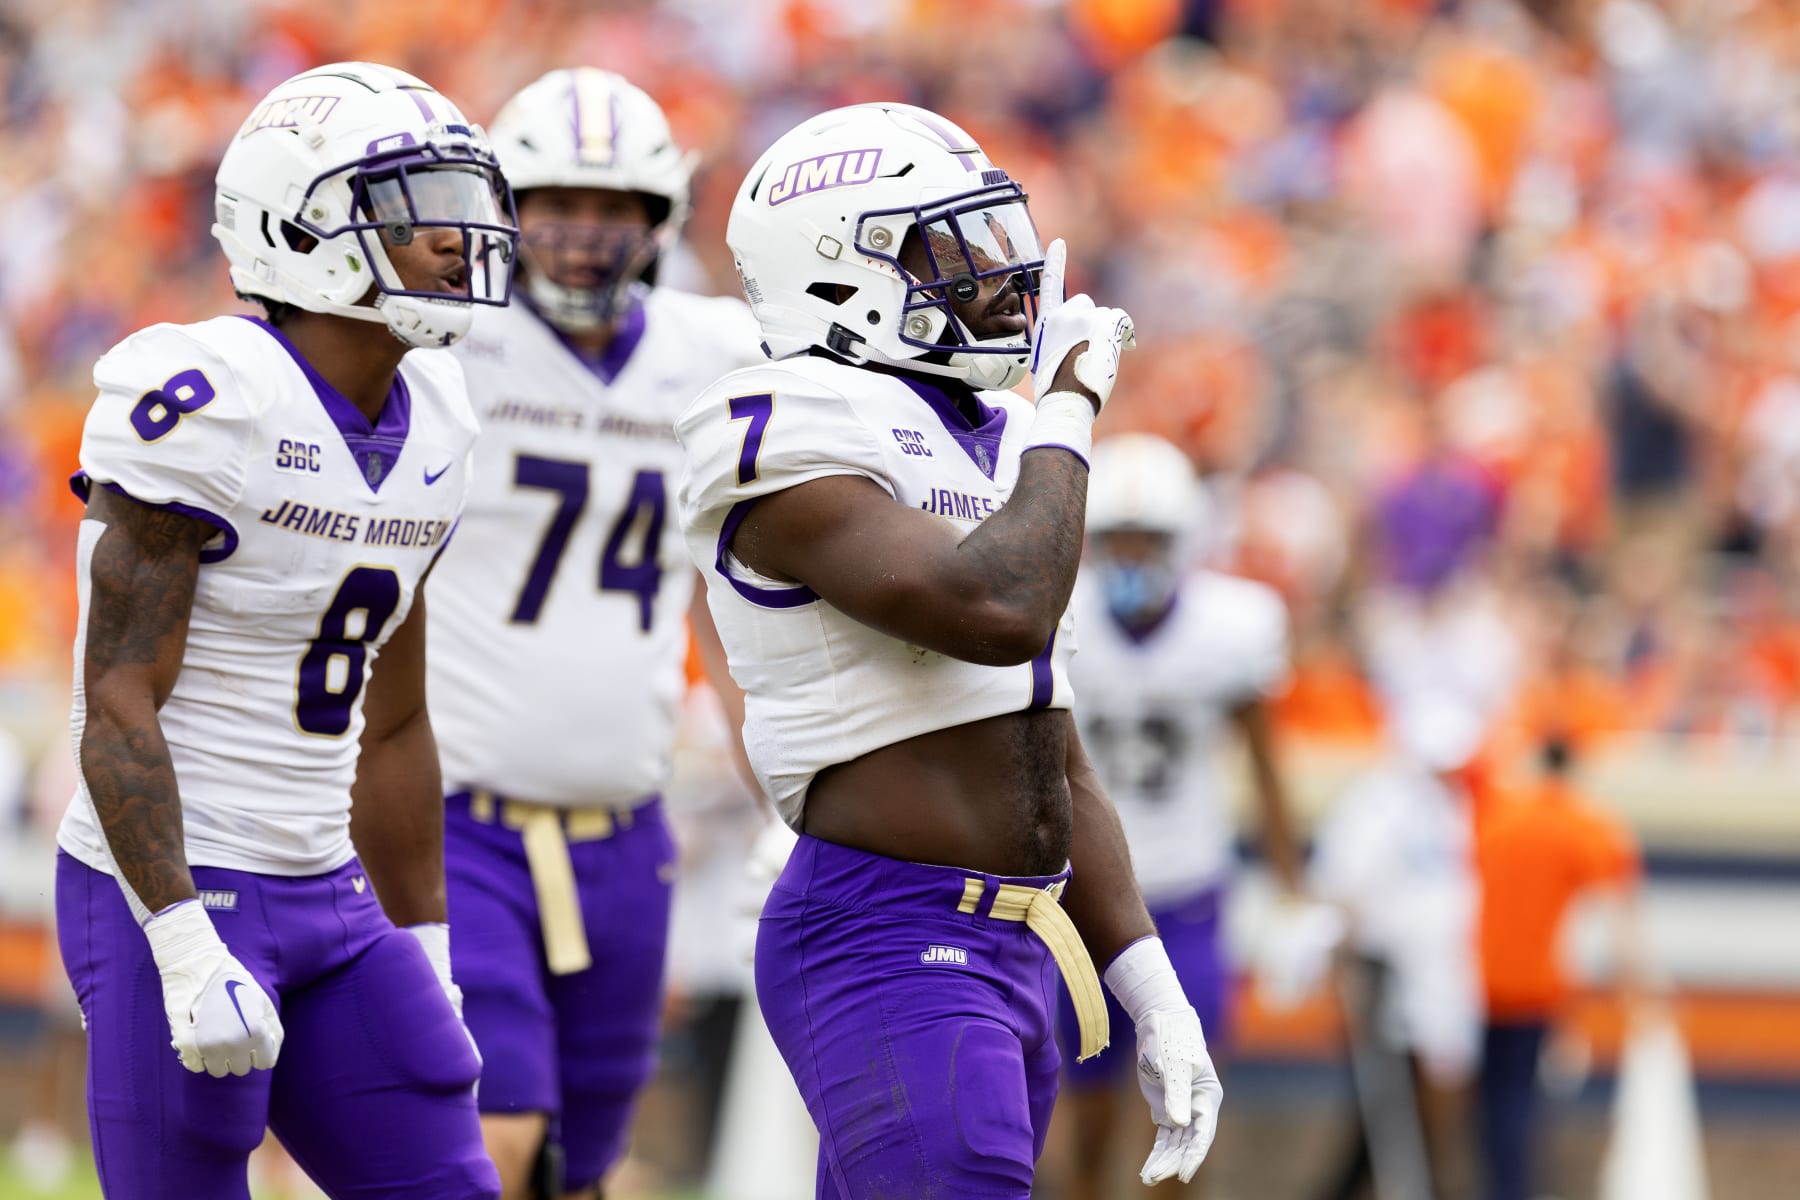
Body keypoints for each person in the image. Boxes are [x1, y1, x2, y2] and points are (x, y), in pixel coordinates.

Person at [676, 102, 1223, 1197]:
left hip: (1017, 945)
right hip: (888, 933)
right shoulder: (784, 417)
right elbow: (994, 607)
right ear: (839, 275)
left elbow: (1051, 747)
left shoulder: (1005, 435)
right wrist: (1069, 404)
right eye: (947, 248)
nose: (994, 276)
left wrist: (1151, 986)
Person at [54, 62, 516, 1198]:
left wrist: (430, 944)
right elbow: (114, 697)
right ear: (301, 228)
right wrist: (176, 935)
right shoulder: (210, 398)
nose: (459, 240)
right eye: (416, 207)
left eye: (462, 204)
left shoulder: (441, 417)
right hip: (173, 872)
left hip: (331, 889)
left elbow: (395, 720)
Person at [425, 67, 760, 1200]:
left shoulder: (711, 354)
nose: (582, 235)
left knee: (587, 1165)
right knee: (496, 1133)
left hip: (627, 826)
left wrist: (788, 795)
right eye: (557, 203)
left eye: (614, 208)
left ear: (658, 221)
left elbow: (729, 594)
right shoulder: (448, 347)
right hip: (460, 818)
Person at [1053, 432, 1329, 1199]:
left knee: (1185, 1100)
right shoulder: (1057, 615)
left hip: (1186, 890)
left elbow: (1267, 765)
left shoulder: (1231, 626)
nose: (1134, 553)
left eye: (1151, 538)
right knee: (1084, 1103)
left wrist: (1292, 889)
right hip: (1078, 897)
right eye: (1118, 537)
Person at [1475, 734, 1646, 1200]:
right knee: (1517, 1101)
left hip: (1469, 978)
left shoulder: (1495, 814)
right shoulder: (1582, 825)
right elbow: (1620, 910)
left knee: (1486, 1102)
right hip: (1533, 984)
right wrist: (1638, 985)